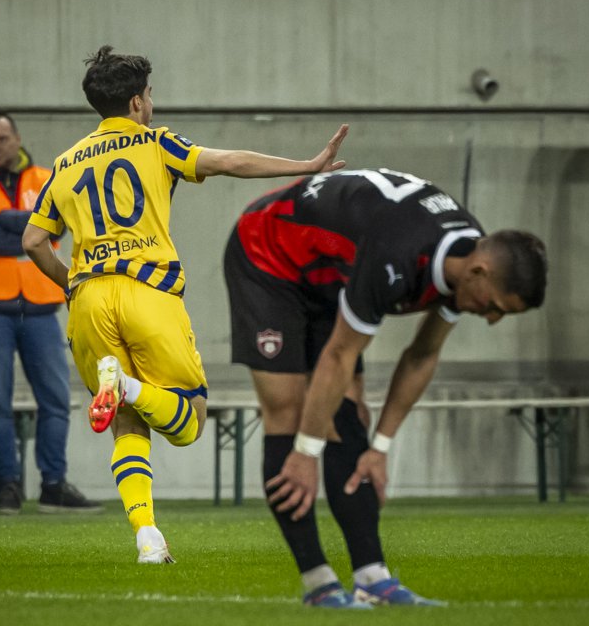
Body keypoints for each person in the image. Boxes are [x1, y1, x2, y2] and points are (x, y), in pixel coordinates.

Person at [22, 45, 348, 563]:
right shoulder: (156, 142)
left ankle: (147, 536)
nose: (152, 103)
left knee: (128, 425)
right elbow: (229, 161)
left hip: (88, 301)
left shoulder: (64, 164)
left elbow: (34, 241)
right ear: (137, 101)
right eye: (150, 95)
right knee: (190, 419)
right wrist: (307, 166)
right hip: (146, 292)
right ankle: (127, 386)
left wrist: (72, 285)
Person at [223, 168, 547, 607]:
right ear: (478, 271)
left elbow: (422, 355)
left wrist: (380, 447)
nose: (491, 319)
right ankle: (319, 583)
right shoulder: (399, 251)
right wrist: (305, 453)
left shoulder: (465, 260)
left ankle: (373, 578)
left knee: (348, 416)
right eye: (494, 307)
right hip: (268, 251)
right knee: (289, 411)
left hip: (330, 270)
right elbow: (339, 356)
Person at [0, 109, 102, 515]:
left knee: (55, 399)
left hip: (40, 308)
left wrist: (4, 219)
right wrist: (31, 229)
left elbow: (60, 228)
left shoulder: (46, 178)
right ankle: (7, 485)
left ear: (17, 139)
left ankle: (53, 485)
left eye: (2, 139)